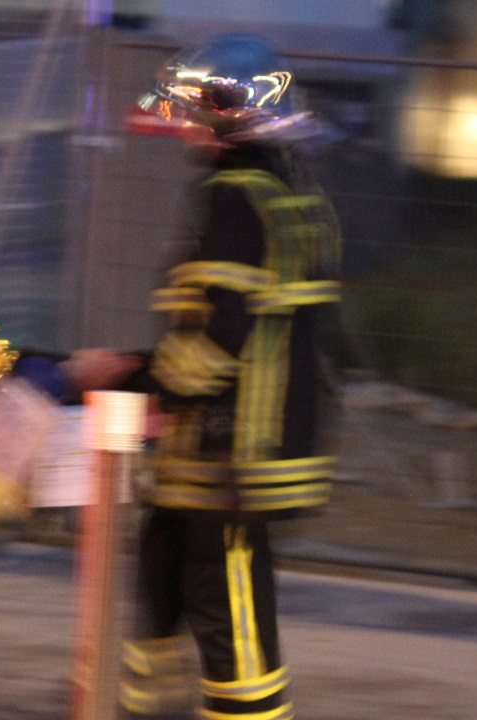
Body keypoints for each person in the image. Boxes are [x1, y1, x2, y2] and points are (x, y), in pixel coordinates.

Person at [114, 34, 343, 720]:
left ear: (226, 109)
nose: (183, 122)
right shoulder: (285, 190)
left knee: (228, 600)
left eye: (193, 107)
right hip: (228, 443)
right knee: (165, 560)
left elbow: (222, 330)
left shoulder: (239, 196)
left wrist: (147, 385)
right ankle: (134, 699)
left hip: (234, 450)